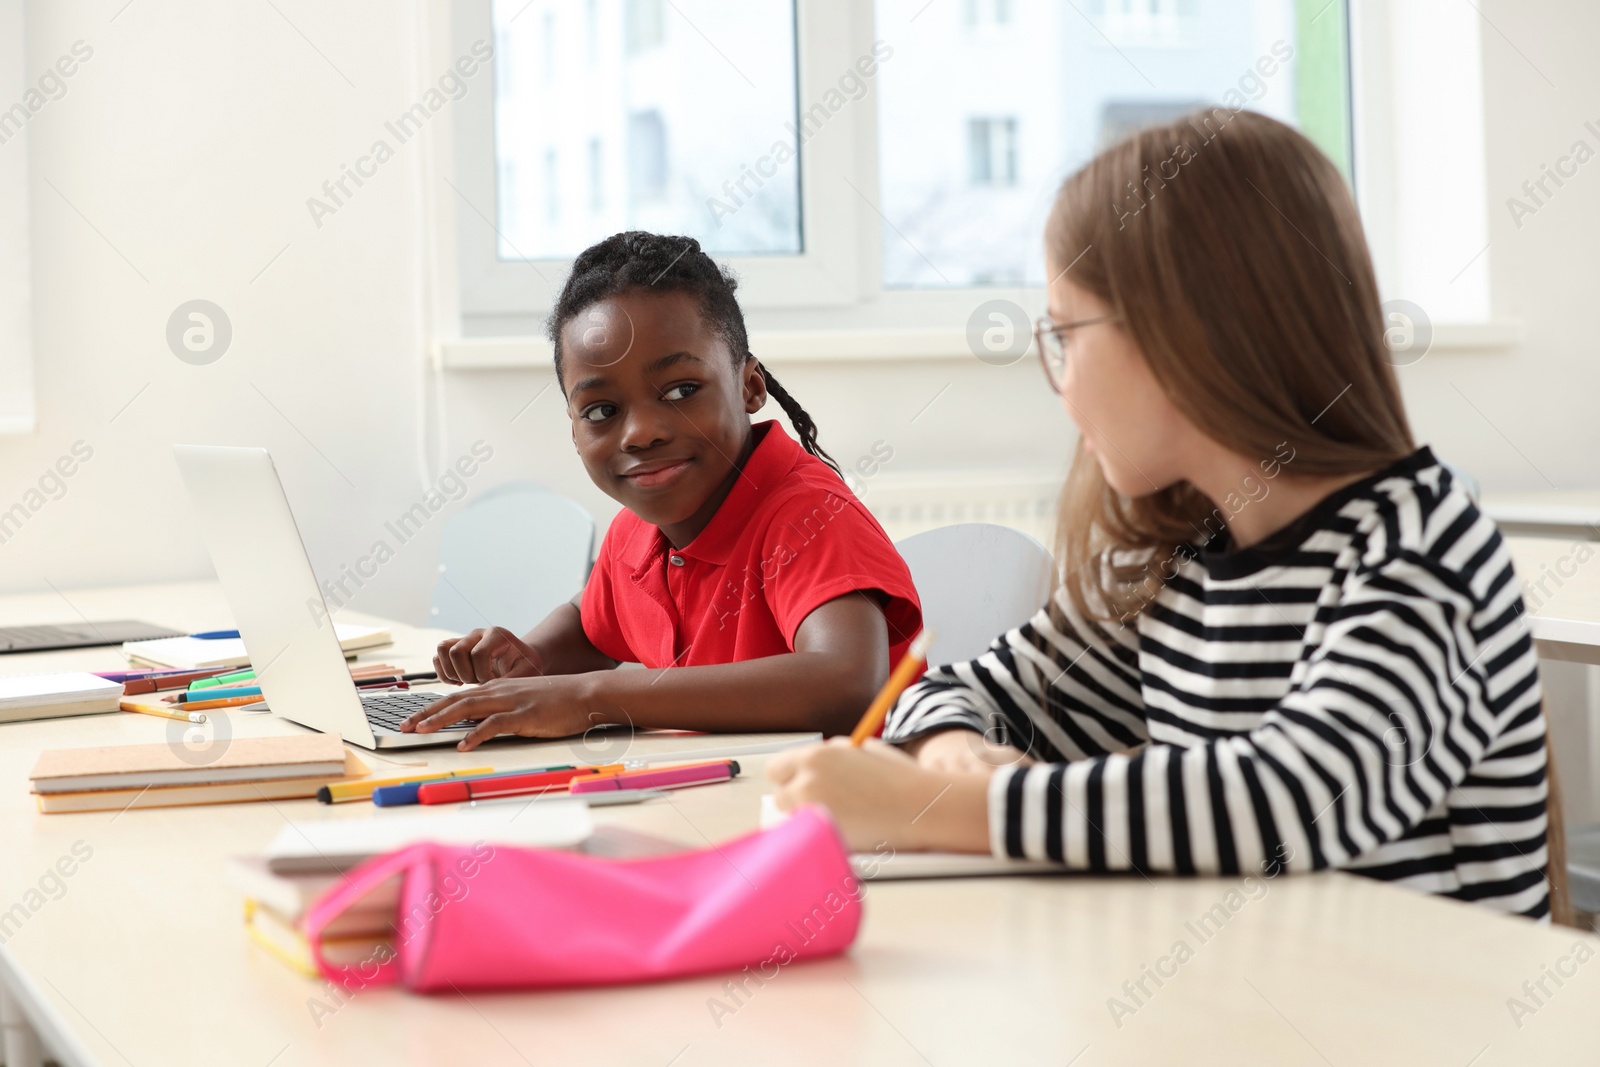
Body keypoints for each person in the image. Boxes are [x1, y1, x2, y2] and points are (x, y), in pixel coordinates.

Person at [768, 110, 1550, 918]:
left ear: (1193, 334)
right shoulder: (1171, 562)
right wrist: (951, 749)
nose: (1061, 382)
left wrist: (936, 808)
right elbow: (965, 686)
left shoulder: (1423, 553)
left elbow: (1284, 800)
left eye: (1067, 335)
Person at [404, 232, 921, 750]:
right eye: (602, 411)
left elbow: (846, 683)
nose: (640, 433)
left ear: (750, 387)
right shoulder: (637, 531)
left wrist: (593, 696)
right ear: (573, 428)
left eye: (680, 391)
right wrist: (526, 661)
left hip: (844, 816)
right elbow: (590, 626)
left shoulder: (807, 513)